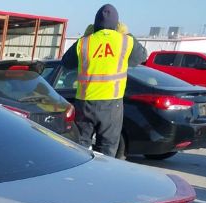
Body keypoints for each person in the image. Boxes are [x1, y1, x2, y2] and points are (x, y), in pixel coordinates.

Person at [62, 4, 147, 157]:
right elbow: (142, 57)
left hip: (85, 103)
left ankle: (81, 176)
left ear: (95, 24)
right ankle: (103, 178)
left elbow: (66, 62)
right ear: (116, 24)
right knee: (107, 148)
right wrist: (128, 34)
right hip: (111, 104)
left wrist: (84, 37)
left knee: (80, 146)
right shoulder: (125, 42)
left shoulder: (84, 43)